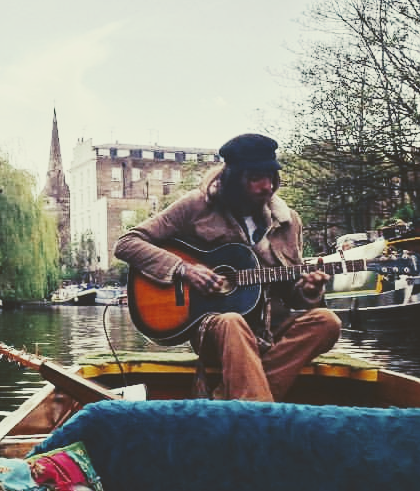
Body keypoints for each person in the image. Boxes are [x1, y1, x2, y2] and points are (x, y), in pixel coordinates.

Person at [114, 133, 341, 402]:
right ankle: (260, 411)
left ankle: (229, 399)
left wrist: (308, 290)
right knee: (232, 321)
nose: (267, 186)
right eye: (255, 178)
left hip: (270, 330)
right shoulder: (196, 206)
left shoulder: (288, 221)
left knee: (327, 321)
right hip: (216, 329)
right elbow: (127, 243)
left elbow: (292, 293)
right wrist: (185, 269)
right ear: (233, 178)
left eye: (271, 176)